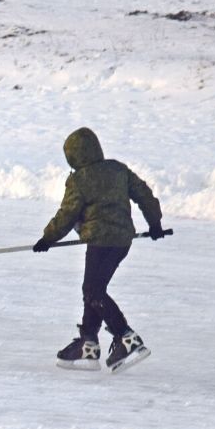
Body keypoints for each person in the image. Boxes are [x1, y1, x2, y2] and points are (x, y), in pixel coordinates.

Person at [33, 127, 165, 372]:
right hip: (122, 242)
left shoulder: (79, 180)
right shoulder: (117, 169)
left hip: (100, 242)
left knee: (93, 290)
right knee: (93, 289)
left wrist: (47, 238)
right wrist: (155, 224)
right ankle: (88, 343)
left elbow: (67, 214)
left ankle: (126, 337)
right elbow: (144, 194)